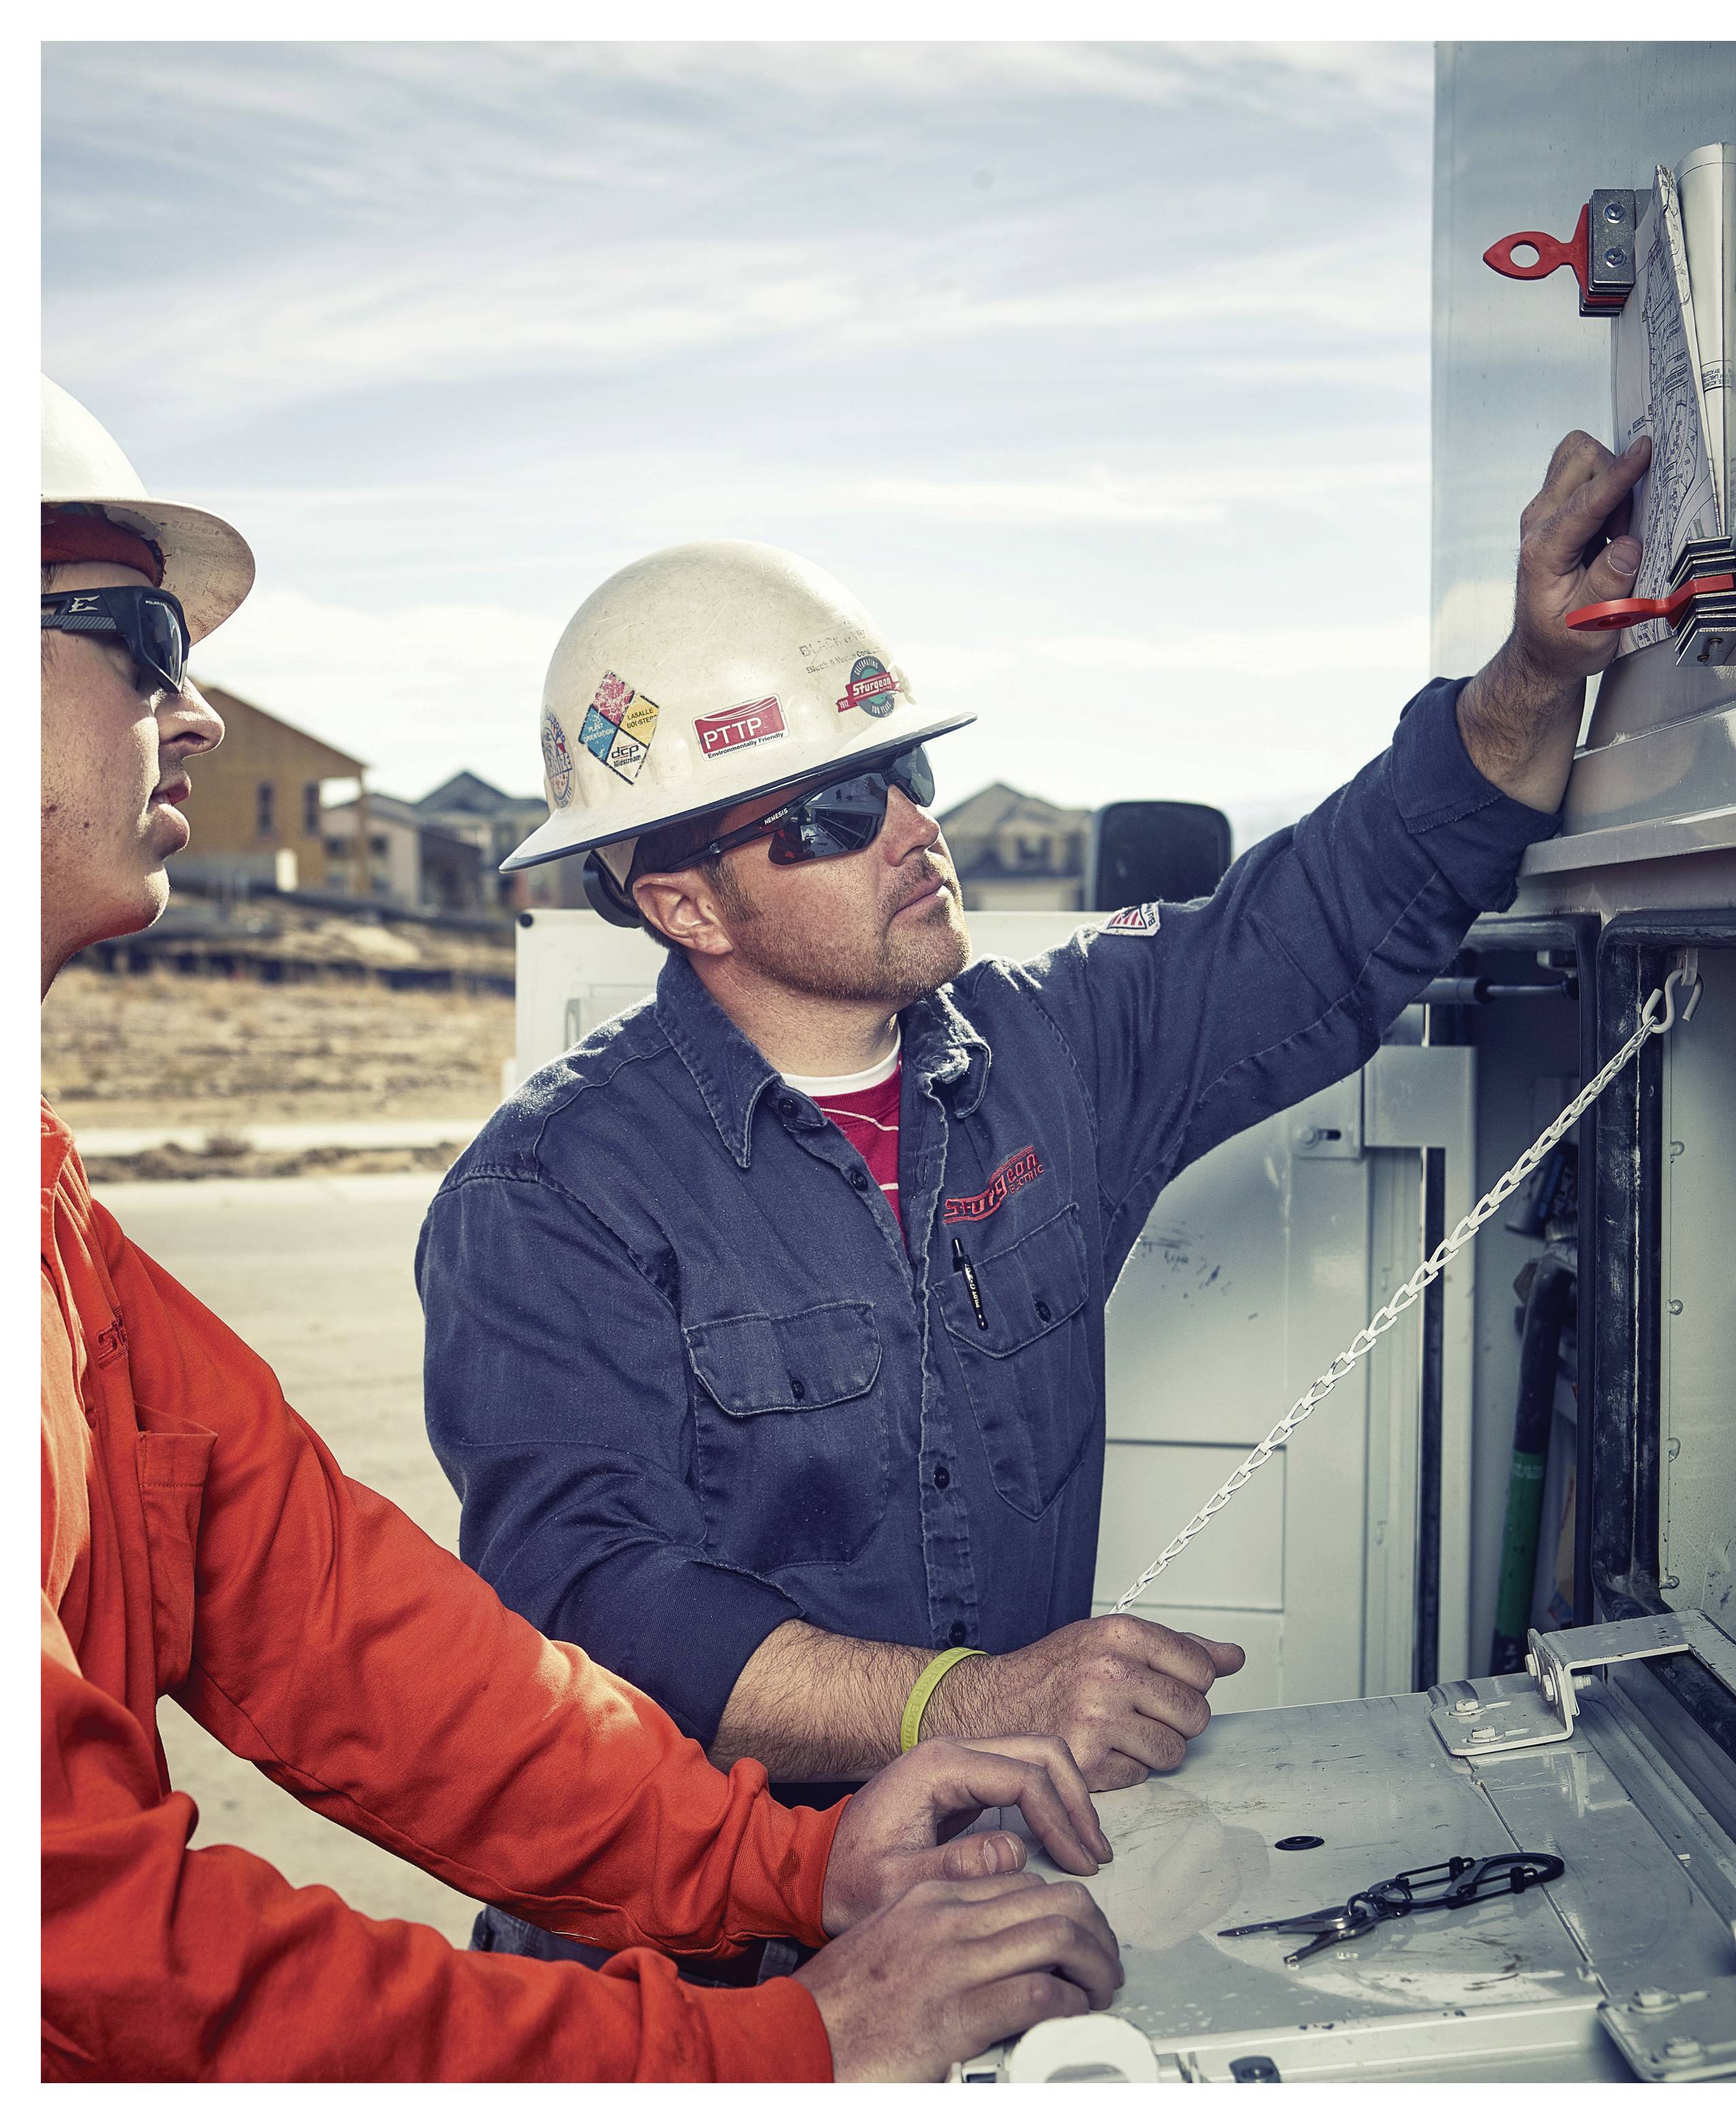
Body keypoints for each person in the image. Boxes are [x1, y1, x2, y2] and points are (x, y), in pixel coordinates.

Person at [416, 423, 1651, 1984]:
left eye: (903, 776)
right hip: (683, 1961)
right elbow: (589, 1602)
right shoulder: (548, 1194)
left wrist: (1535, 672)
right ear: (682, 904)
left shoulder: (1060, 1055)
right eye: (826, 816)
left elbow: (1330, 916)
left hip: (982, 1909)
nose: (915, 832)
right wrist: (964, 1702)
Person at [38, 375, 1124, 2083]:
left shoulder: (56, 1241)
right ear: (680, 904)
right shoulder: (549, 1190)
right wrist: (774, 2049)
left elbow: (367, 1653)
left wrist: (789, 1865)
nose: (199, 716)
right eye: (139, 637)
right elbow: (79, 1963)